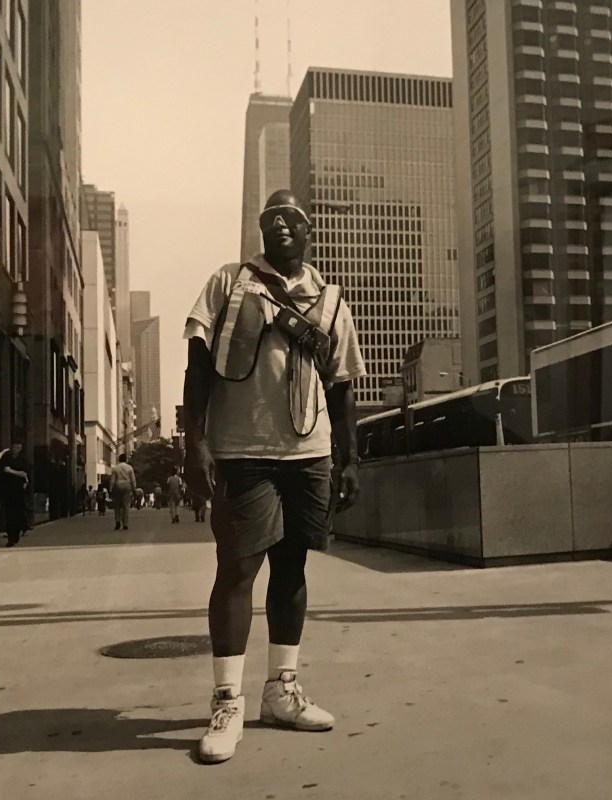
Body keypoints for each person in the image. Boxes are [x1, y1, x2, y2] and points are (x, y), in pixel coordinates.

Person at [183, 189, 365, 763]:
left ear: (308, 230)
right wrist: (194, 442)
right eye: (269, 219)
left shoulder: (331, 299)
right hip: (242, 452)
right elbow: (196, 366)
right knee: (237, 570)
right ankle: (228, 701)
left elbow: (342, 388)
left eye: (290, 218)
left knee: (293, 567)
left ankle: (280, 691)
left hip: (309, 454)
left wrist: (349, 458)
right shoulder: (229, 283)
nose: (279, 225)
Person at [0, 439, 30, 547]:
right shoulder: (6, 457)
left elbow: (24, 473)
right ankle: (11, 538)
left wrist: (11, 471)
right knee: (9, 514)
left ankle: (17, 533)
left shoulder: (23, 459)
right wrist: (4, 451)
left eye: (19, 447)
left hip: (18, 490)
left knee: (18, 513)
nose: (16, 449)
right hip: (7, 490)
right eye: (15, 447)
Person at [110, 453, 137, 530]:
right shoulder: (129, 468)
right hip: (127, 486)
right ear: (126, 459)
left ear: (119, 459)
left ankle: (117, 521)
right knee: (126, 506)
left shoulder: (115, 468)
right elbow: (133, 479)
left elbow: (112, 480)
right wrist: (134, 488)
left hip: (117, 486)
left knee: (117, 505)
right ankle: (125, 523)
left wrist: (111, 489)